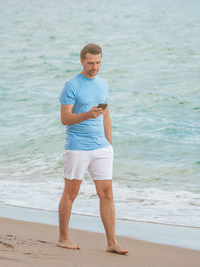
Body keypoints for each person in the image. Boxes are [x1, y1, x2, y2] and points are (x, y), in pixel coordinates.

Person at [57, 43, 129, 255]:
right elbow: (65, 118)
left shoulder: (103, 84)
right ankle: (63, 238)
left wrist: (109, 144)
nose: (94, 67)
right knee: (71, 192)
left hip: (101, 148)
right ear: (81, 61)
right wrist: (86, 115)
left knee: (107, 194)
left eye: (98, 63)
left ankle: (112, 242)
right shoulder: (71, 85)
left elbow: (106, 115)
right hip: (77, 147)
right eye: (90, 63)